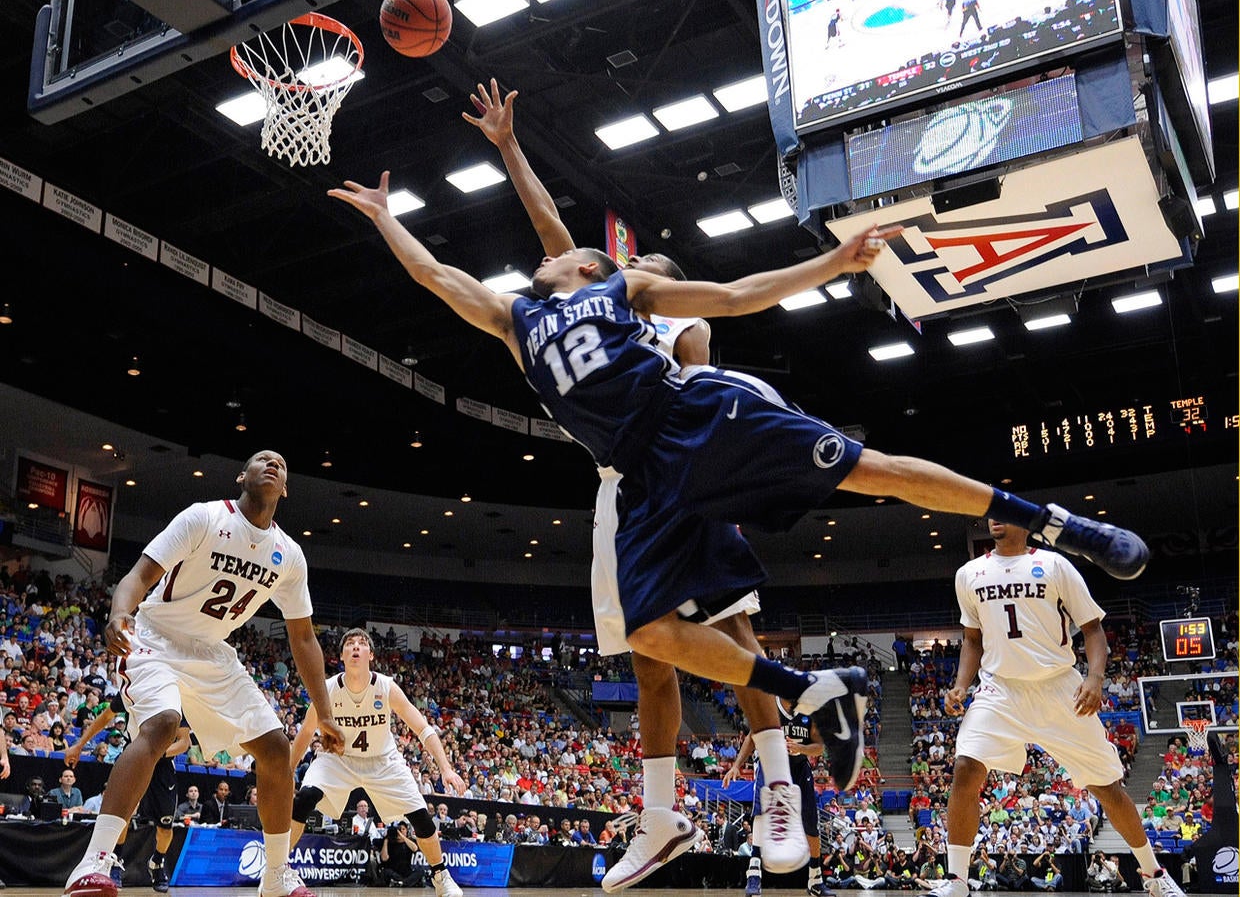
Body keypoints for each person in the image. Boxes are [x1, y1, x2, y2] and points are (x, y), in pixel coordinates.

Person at [331, 158, 1148, 870]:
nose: (577, 247)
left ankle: (1059, 525)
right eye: (576, 248)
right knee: (648, 634)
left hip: (697, 420)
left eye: (580, 248)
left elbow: (733, 294)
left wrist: (832, 261)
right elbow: (438, 276)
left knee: (869, 474)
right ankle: (814, 691)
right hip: (643, 478)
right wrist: (388, 218)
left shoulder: (629, 288)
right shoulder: (518, 318)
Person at [462, 79, 847, 889]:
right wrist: (508, 147)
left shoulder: (670, 317)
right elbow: (550, 234)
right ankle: (662, 815)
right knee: (646, 655)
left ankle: (779, 788)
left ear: (650, 280)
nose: (618, 266)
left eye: (635, 266)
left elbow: (702, 382)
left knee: (735, 634)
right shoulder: (588, 304)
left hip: (689, 469)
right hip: (618, 490)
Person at [60, 450, 344, 897]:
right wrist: (119, 612)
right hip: (155, 636)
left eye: (281, 464)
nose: (272, 463)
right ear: (241, 476)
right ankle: (92, 862)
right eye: (261, 459)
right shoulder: (205, 518)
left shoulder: (288, 555)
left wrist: (324, 713)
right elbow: (140, 574)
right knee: (162, 723)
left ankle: (275, 876)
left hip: (212, 653)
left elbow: (304, 639)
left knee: (274, 748)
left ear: (285, 488)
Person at [924, 520, 1181, 897]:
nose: (993, 517)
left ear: (1024, 521)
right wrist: (961, 685)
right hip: (1001, 690)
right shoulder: (969, 574)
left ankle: (1154, 874)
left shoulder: (1055, 565)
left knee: (1108, 788)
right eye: (989, 510)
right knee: (965, 767)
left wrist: (1094, 678)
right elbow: (972, 639)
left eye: (1003, 509)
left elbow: (1092, 630)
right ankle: (957, 880)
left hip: (1059, 687)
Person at [288, 628, 464, 897]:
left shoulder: (386, 686)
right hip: (339, 759)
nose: (355, 647)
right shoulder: (328, 689)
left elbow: (423, 728)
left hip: (383, 761)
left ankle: (441, 876)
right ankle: (278, 868)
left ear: (371, 654)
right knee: (304, 798)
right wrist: (288, 771)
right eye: (349, 643)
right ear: (342, 655)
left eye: (361, 643)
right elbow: (305, 732)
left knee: (421, 818)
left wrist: (446, 768)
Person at [68, 692, 192, 891]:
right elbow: (105, 717)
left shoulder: (173, 697)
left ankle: (157, 863)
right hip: (135, 756)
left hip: (163, 765)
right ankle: (114, 859)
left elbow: (184, 743)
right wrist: (79, 744)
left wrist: (156, 753)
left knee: (165, 826)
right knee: (123, 815)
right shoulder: (132, 688)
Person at [725, 698, 831, 897]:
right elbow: (752, 737)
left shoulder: (808, 708)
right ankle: (754, 873)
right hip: (771, 762)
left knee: (810, 824)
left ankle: (815, 880)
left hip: (799, 766)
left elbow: (819, 746)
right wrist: (736, 765)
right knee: (762, 813)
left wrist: (802, 749)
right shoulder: (770, 707)